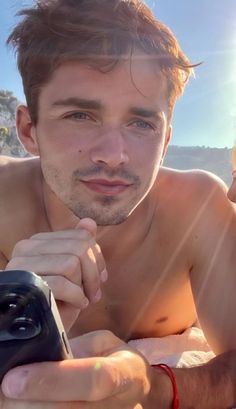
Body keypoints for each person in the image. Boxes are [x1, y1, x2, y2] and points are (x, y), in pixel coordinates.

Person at [0, 0, 236, 407]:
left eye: (141, 123)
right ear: (28, 128)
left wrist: (152, 386)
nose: (113, 154)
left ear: (165, 141)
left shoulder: (199, 207)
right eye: (80, 115)